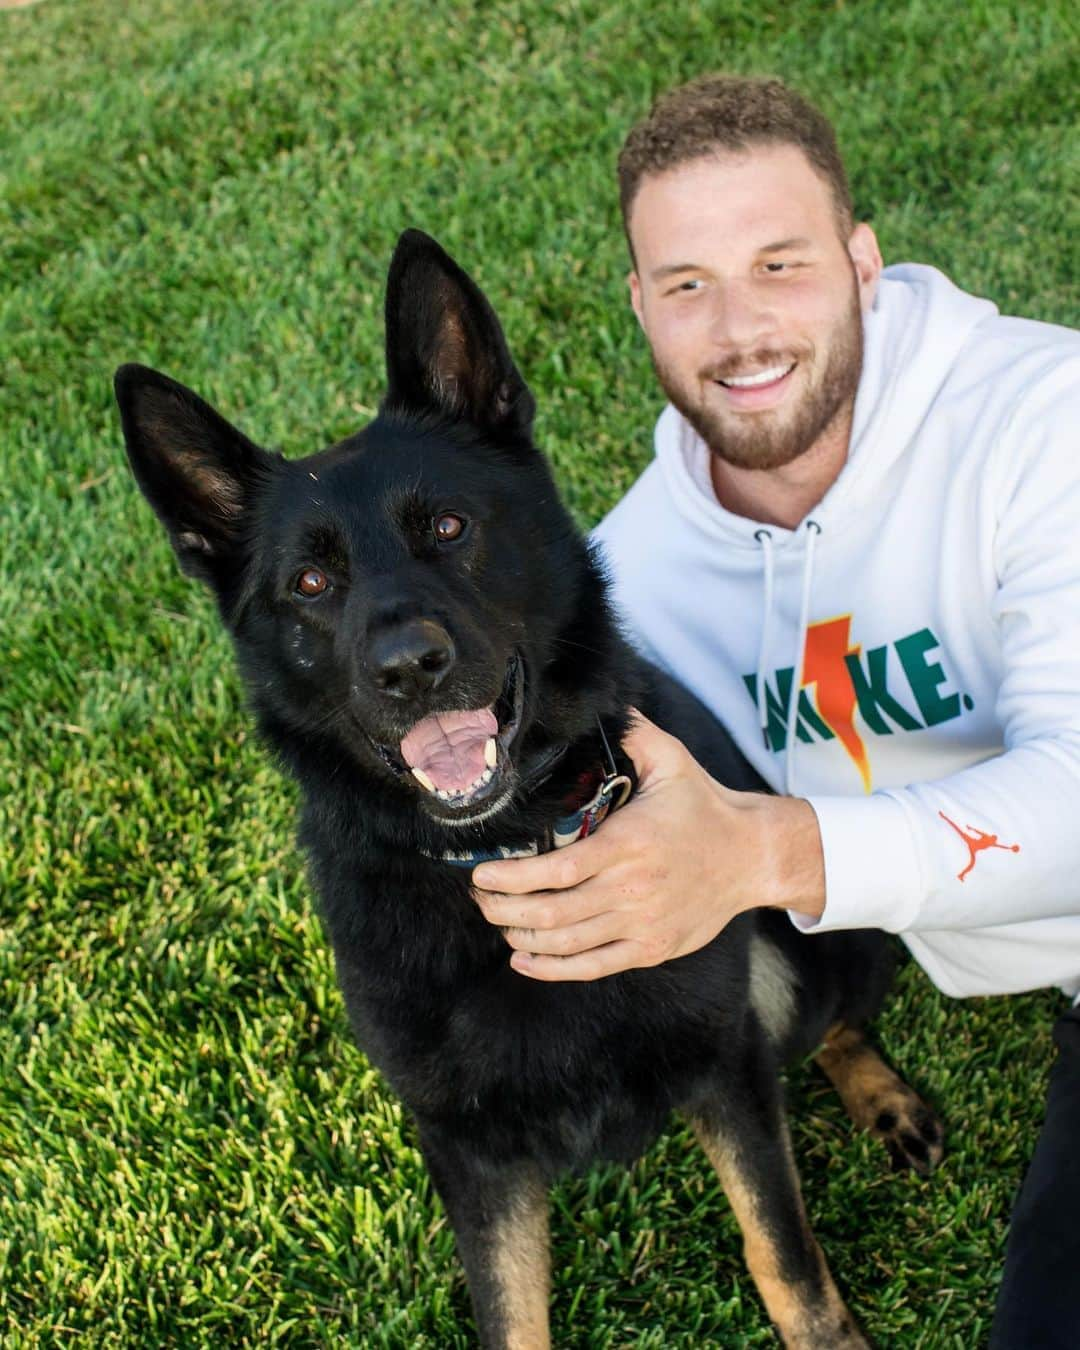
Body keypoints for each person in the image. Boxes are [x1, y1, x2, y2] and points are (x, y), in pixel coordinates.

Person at [470, 75, 1080, 1345]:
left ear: (862, 260)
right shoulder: (625, 580)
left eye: (780, 264)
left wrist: (768, 851)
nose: (739, 330)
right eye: (687, 284)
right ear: (639, 305)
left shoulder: (1045, 420)